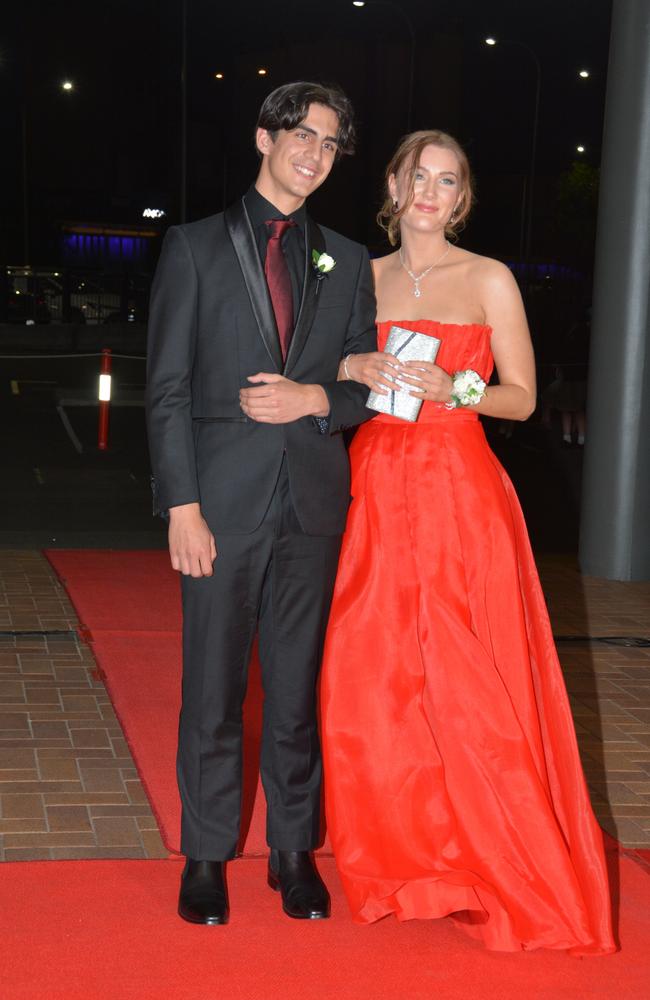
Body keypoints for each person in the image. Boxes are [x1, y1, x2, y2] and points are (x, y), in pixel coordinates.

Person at [321, 130, 615, 954]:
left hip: (461, 494)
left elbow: (521, 398)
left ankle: (494, 855)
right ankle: (406, 860)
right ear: (392, 182)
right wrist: (353, 367)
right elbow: (328, 370)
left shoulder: (489, 278)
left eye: (447, 181)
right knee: (375, 678)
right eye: (419, 175)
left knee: (469, 680)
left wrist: (460, 385)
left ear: (462, 199)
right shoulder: (357, 278)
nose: (430, 191)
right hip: (374, 487)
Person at [146, 82, 377, 926]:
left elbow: (364, 388)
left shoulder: (346, 259)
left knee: (293, 688)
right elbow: (166, 390)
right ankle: (205, 855)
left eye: (329, 143)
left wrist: (315, 397)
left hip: (312, 510)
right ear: (264, 137)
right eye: (301, 134)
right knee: (211, 690)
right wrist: (182, 506)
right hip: (219, 508)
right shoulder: (195, 248)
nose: (314, 153)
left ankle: (291, 850)